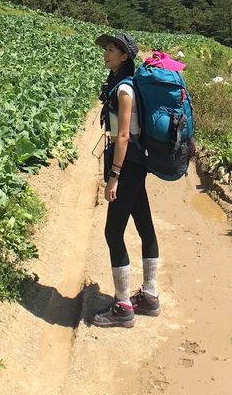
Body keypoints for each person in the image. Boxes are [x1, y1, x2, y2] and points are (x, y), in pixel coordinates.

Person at [91, 32, 161, 329]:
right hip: (135, 164)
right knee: (145, 226)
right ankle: (150, 296)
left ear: (124, 57)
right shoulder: (121, 84)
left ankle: (122, 307)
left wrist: (113, 178)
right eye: (106, 48)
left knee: (112, 232)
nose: (106, 53)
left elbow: (122, 136)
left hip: (128, 166)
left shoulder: (124, 90)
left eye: (112, 49)